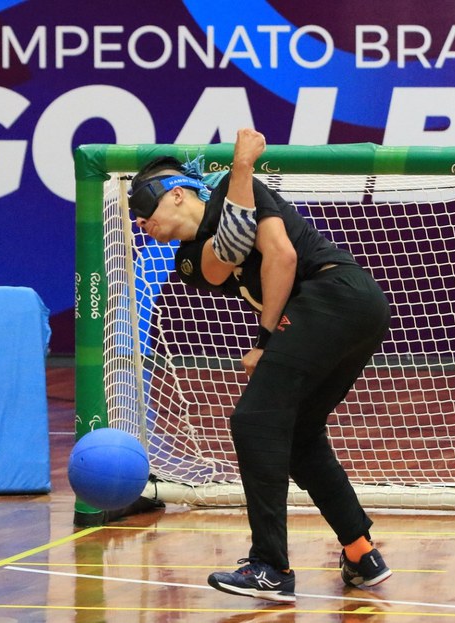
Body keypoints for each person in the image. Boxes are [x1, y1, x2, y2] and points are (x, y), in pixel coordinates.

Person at [128, 129, 392, 602]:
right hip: (351, 310)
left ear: (177, 194)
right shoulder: (189, 260)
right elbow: (225, 253)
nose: (140, 221)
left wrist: (264, 340)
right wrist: (242, 168)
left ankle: (271, 566)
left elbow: (283, 256)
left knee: (253, 422)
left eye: (145, 209)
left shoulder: (240, 186)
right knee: (299, 436)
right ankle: (360, 552)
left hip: (337, 292)